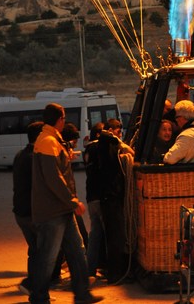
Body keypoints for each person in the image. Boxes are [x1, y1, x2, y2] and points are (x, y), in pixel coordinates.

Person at [31, 102, 103, 304]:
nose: (65, 121)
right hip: (52, 211)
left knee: (77, 252)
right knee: (48, 257)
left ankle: (82, 294)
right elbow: (53, 178)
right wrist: (73, 201)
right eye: (63, 118)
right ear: (59, 119)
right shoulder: (47, 141)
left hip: (61, 209)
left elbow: (56, 172)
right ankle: (38, 297)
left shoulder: (53, 139)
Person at [97, 118, 134, 284]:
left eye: (120, 130)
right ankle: (115, 274)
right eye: (117, 130)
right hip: (110, 198)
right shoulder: (106, 143)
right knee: (116, 238)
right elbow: (107, 137)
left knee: (116, 237)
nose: (120, 133)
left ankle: (115, 272)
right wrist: (117, 140)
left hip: (112, 197)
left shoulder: (110, 146)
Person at [13, 121, 44, 297]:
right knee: (45, 253)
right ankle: (33, 286)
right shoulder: (34, 158)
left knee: (35, 251)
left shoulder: (20, 155)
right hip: (31, 212)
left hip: (20, 211)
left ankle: (35, 288)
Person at [83, 123, 106, 279]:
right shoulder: (99, 148)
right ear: (99, 135)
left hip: (91, 197)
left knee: (95, 234)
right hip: (101, 197)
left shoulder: (87, 150)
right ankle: (111, 269)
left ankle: (90, 269)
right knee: (108, 235)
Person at [163, 100, 194, 164]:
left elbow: (169, 159)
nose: (176, 120)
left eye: (176, 117)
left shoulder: (186, 136)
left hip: (189, 173)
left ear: (182, 118)